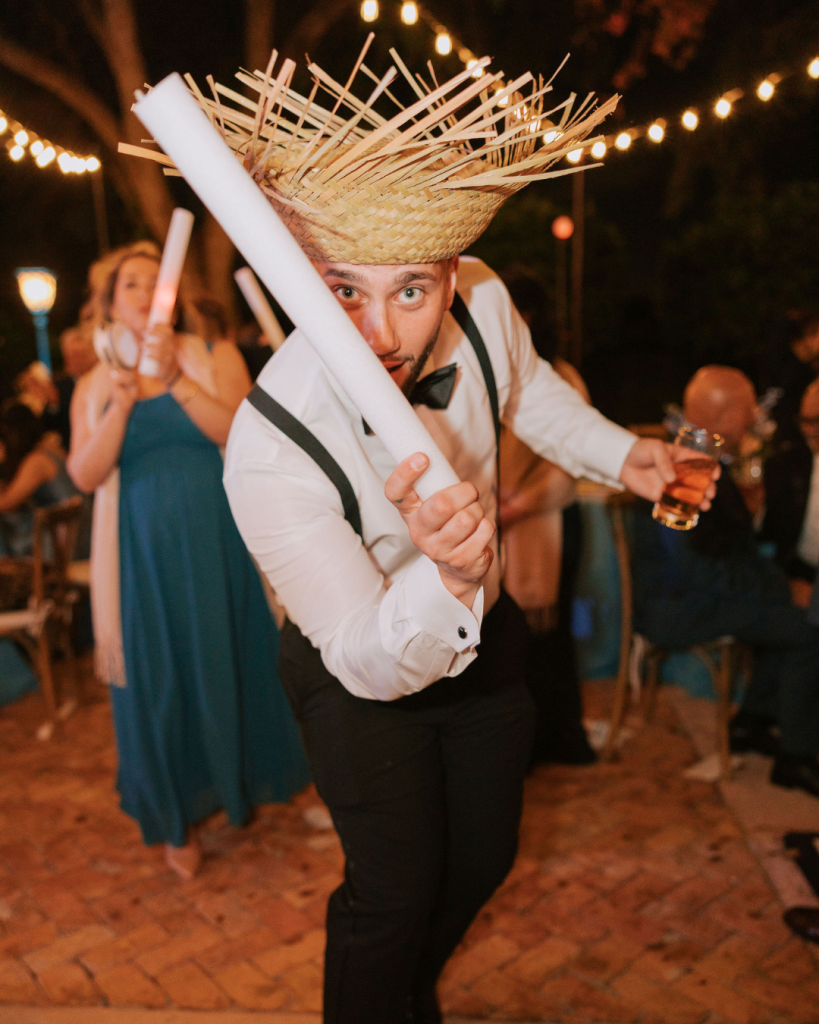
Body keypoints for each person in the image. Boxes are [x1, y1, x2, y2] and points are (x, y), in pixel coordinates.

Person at [171, 51, 721, 1024]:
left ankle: (401, 992)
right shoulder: (266, 445)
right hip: (356, 676)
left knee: (482, 858)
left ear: (445, 274)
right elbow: (366, 657)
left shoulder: (485, 297)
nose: (380, 330)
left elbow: (530, 390)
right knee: (391, 887)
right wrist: (449, 569)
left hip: (488, 643)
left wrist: (620, 455)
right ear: (303, 276)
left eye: (412, 291)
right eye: (343, 289)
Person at [67, 242, 309, 880]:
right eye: (132, 286)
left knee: (228, 660)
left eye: (156, 282)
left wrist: (173, 379)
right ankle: (177, 818)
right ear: (111, 303)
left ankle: (244, 787)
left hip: (217, 544)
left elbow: (239, 429)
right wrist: (121, 401)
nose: (146, 294)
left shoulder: (212, 354)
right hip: (141, 560)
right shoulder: (94, 383)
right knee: (158, 681)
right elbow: (85, 474)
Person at [632, 365, 819, 798]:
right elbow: (695, 569)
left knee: (789, 613)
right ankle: (795, 757)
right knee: (807, 629)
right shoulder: (688, 466)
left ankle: (751, 723)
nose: (756, 415)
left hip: (692, 595)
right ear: (718, 417)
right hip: (680, 606)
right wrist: (778, 589)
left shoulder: (696, 451)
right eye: (747, 407)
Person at [499, 267, 595, 764]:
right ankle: (528, 744)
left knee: (548, 640)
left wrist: (515, 504)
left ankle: (556, 739)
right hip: (503, 525)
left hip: (550, 521)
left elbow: (569, 464)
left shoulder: (558, 375)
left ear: (527, 315)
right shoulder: (494, 372)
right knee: (513, 641)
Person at [763, 378, 819, 607]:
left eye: (816, 421)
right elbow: (773, 533)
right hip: (798, 575)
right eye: (804, 420)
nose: (808, 430)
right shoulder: (790, 462)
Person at [0, 402, 81, 557]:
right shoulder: (50, 448)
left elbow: (6, 503)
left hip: (66, 545)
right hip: (77, 531)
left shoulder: (37, 461)